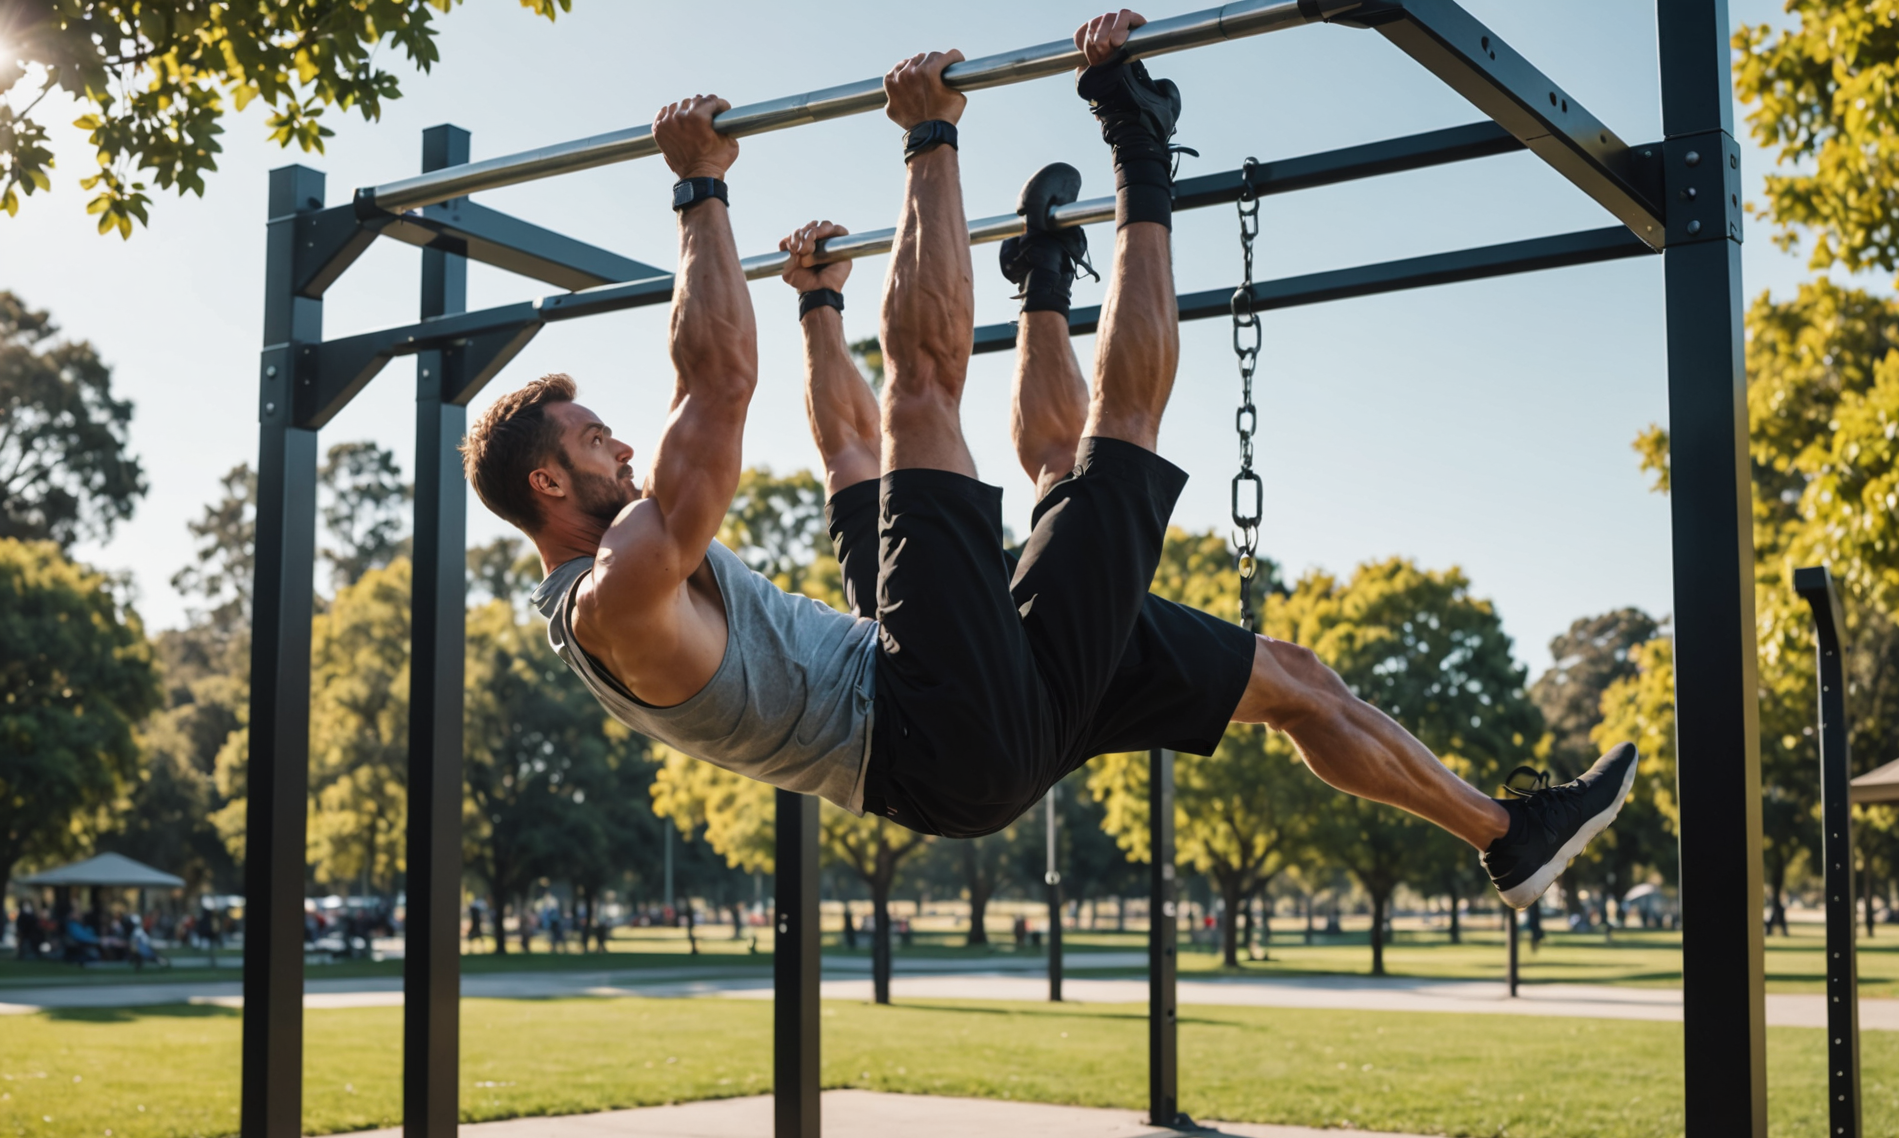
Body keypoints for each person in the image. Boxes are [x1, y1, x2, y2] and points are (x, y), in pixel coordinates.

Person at [462, 10, 1633, 912]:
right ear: (548, 487)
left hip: (945, 700)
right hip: (928, 720)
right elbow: (715, 387)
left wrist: (819, 309)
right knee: (1019, 422)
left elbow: (848, 447)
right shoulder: (614, 596)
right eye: (590, 438)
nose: (619, 442)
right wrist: (764, 173)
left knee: (1290, 678)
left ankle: (1504, 838)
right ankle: (1140, 142)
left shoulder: (642, 564)